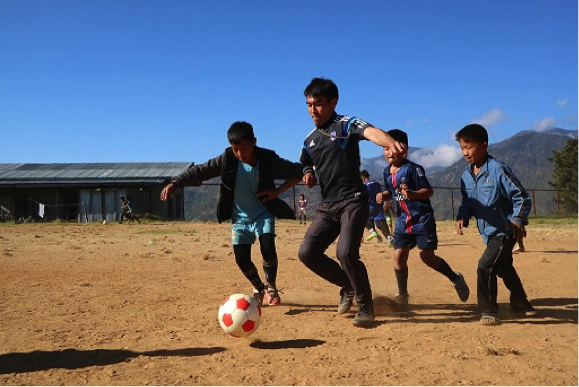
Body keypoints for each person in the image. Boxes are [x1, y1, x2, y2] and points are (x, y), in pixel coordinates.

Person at [161, 121, 315, 306]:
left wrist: (305, 172)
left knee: (268, 246)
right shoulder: (226, 160)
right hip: (240, 218)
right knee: (241, 259)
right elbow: (200, 171)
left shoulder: (267, 159)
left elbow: (295, 169)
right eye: (236, 149)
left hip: (263, 212)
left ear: (254, 142)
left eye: (244, 148)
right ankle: (259, 287)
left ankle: (271, 285)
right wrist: (176, 182)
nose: (240, 154)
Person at [297, 77, 406, 327]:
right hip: (328, 206)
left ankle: (366, 306)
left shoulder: (345, 125)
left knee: (345, 253)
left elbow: (371, 132)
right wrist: (308, 172)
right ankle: (346, 285)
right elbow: (305, 159)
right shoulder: (310, 138)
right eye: (308, 104)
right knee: (307, 253)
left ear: (333, 102)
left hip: (353, 201)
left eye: (319, 104)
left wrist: (390, 143)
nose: (313, 110)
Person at [376, 129, 470, 310]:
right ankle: (403, 295)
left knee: (427, 257)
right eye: (385, 148)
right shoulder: (386, 172)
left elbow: (428, 191)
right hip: (402, 221)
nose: (388, 152)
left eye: (392, 148)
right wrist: (384, 196)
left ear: (404, 149)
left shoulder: (413, 169)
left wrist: (411, 193)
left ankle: (455, 277)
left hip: (422, 219)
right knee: (398, 257)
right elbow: (393, 193)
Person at [455, 123, 535, 325]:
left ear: (484, 146)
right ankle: (521, 303)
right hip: (487, 233)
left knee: (486, 266)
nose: (465, 152)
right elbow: (468, 202)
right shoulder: (466, 175)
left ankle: (489, 311)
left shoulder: (498, 170)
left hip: (504, 230)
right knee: (503, 268)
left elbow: (522, 197)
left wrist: (517, 220)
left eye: (469, 147)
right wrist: (463, 216)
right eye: (462, 148)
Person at [360, 170, 392, 245]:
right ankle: (389, 239)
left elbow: (363, 196)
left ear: (363, 177)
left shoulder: (365, 185)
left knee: (363, 219)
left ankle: (373, 232)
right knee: (381, 224)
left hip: (370, 206)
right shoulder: (377, 183)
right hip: (379, 205)